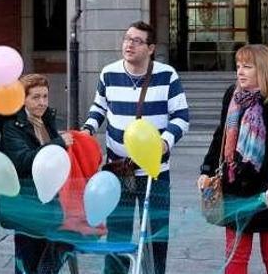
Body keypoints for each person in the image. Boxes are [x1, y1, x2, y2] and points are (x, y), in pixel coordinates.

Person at [80, 21, 190, 274]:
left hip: (155, 171)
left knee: (155, 235)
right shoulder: (108, 73)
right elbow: (99, 109)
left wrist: (165, 142)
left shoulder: (167, 75)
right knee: (117, 232)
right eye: (127, 38)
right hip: (118, 170)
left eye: (137, 41)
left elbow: (181, 117)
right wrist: (87, 129)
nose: (129, 44)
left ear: (150, 48)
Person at [198, 44, 268, 274]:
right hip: (236, 188)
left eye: (247, 67)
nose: (240, 71)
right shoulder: (232, 96)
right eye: (238, 66)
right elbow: (221, 136)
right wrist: (206, 169)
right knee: (235, 258)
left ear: (264, 70)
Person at [0, 74, 74, 274]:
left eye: (45, 97)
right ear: (23, 99)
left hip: (49, 205)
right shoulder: (12, 127)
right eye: (35, 97)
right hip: (25, 206)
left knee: (52, 256)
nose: (42, 102)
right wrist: (58, 143)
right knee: (27, 264)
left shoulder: (48, 120)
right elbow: (22, 161)